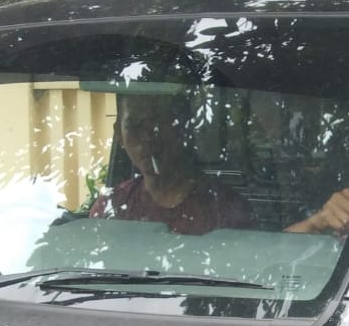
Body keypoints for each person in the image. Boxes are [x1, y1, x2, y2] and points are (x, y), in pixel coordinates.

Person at [90, 93, 255, 235]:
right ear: (119, 134)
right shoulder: (111, 207)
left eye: (159, 123)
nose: (148, 137)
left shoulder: (226, 209)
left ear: (181, 129)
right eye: (135, 126)